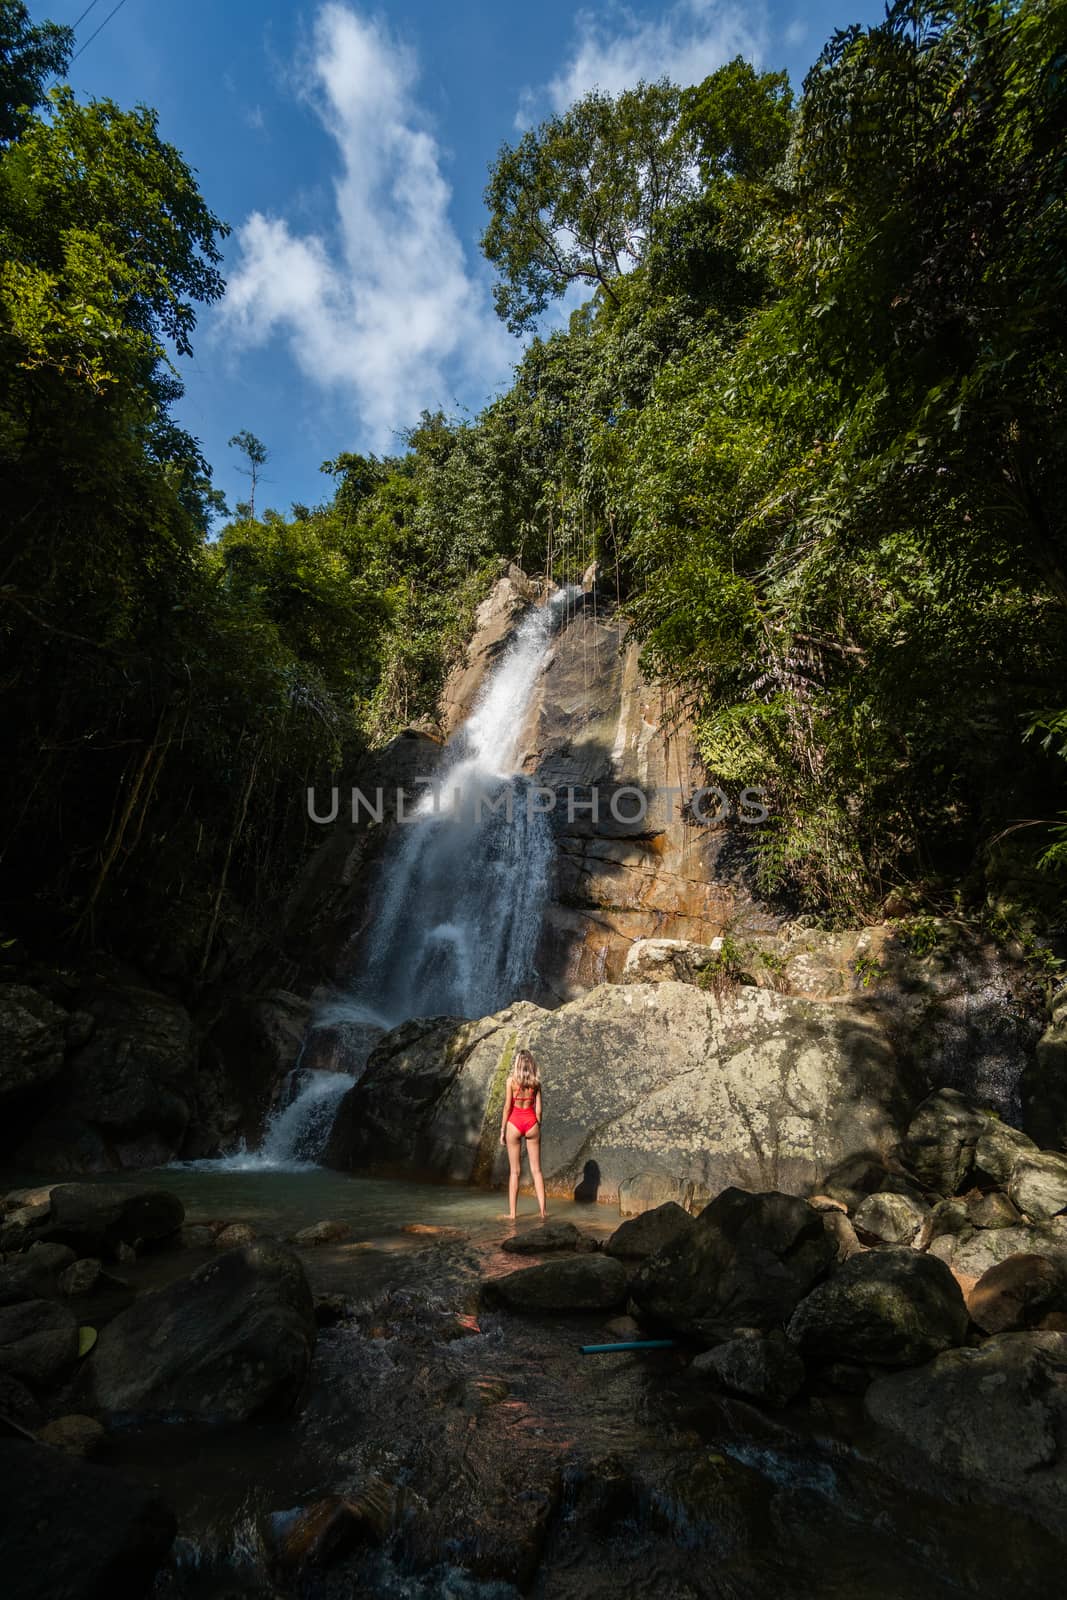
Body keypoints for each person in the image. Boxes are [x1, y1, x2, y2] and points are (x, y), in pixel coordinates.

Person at [499, 1047, 547, 1222]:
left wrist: (503, 1130)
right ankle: (542, 1212)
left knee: (515, 1172)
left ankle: (512, 1214)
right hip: (531, 1122)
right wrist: (537, 1126)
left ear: (517, 1064)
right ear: (531, 1064)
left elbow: (507, 1108)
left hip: (514, 1123)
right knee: (537, 1171)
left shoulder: (511, 1081)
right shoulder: (536, 1083)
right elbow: (539, 1110)